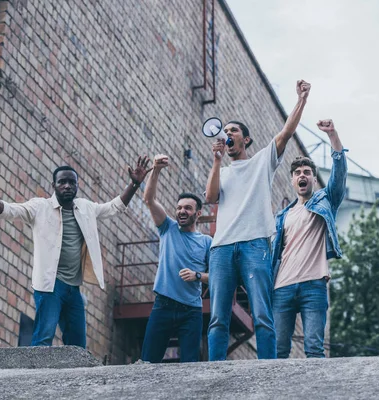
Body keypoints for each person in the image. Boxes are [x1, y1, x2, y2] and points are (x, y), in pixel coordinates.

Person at [0, 157, 152, 348]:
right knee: (44, 337)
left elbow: (114, 207)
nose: (67, 186)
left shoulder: (85, 208)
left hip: (73, 288)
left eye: (71, 182)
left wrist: (135, 184)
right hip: (50, 286)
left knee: (78, 345)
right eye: (62, 182)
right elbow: (9, 211)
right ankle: (35, 375)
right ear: (54, 185)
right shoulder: (40, 207)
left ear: (77, 185)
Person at [204, 80, 312, 360]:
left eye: (233, 131)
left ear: (246, 139)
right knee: (218, 317)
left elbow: (287, 132)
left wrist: (301, 99)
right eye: (225, 131)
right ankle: (214, 371)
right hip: (222, 248)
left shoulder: (263, 160)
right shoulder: (223, 171)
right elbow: (210, 196)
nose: (227, 134)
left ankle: (267, 370)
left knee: (262, 313)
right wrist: (216, 161)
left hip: (255, 245)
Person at [271, 119, 347, 358]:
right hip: (281, 286)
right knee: (278, 351)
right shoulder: (282, 216)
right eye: (297, 173)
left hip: (313, 284)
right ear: (293, 180)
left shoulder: (326, 201)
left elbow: (339, 175)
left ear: (314, 180)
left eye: (307, 173)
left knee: (314, 349)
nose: (302, 176)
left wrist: (332, 135)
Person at [140, 154, 212, 363]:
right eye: (179, 207)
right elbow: (149, 200)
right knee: (148, 362)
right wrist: (156, 170)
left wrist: (197, 275)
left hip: (191, 311)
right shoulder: (168, 228)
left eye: (187, 208)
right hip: (163, 305)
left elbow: (217, 276)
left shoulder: (206, 242)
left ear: (197, 214)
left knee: (190, 364)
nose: (181, 211)